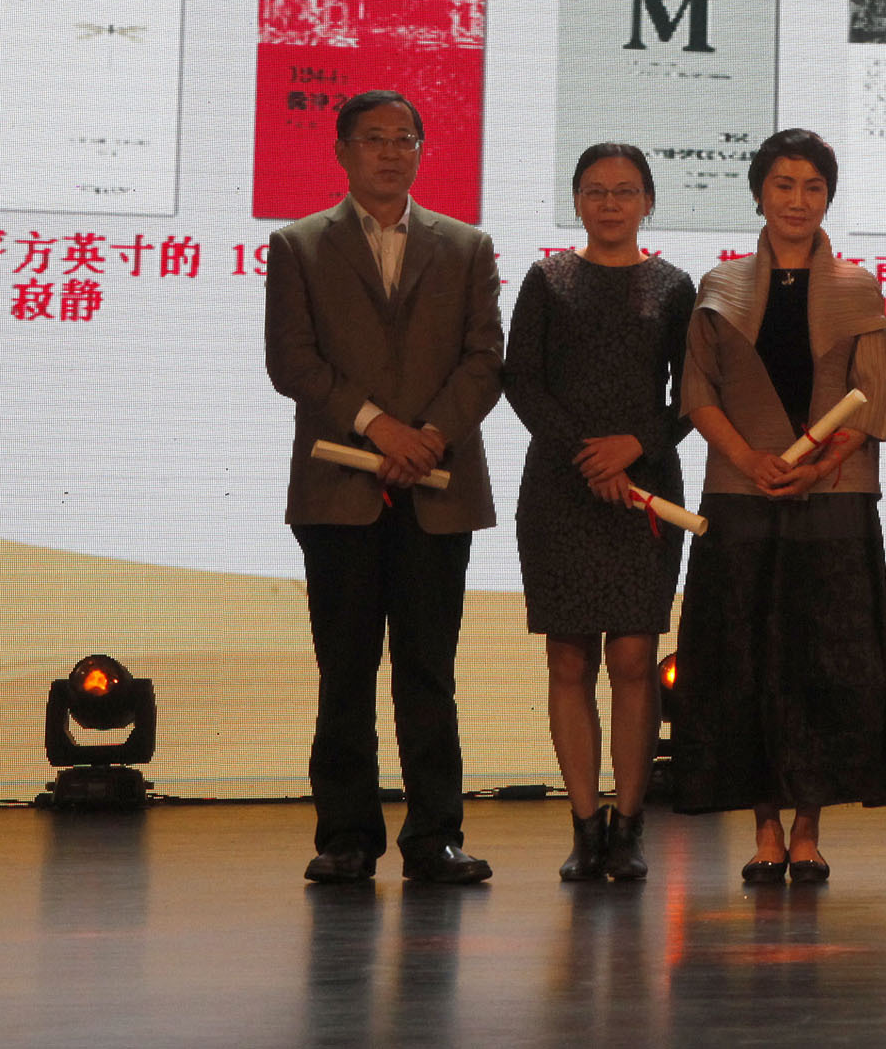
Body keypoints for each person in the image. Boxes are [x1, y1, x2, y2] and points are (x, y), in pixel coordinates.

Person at [265, 89, 503, 886]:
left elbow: (484, 360)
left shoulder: (465, 246)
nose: (391, 152)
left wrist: (427, 434)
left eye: (405, 139)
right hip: (339, 488)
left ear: (422, 151)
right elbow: (292, 362)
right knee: (345, 672)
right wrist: (379, 427)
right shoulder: (299, 244)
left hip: (439, 485)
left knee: (429, 672)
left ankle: (435, 835)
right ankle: (346, 837)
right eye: (374, 139)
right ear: (342, 151)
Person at [671, 128, 886, 883]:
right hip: (739, 498)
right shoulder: (719, 286)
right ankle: (765, 828)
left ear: (828, 197)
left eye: (812, 187)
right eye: (783, 185)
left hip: (833, 499)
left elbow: (874, 398)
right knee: (742, 664)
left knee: (823, 663)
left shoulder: (859, 288)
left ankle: (807, 829)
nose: (797, 200)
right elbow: (696, 392)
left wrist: (819, 466)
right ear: (758, 194)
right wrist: (750, 461)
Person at [504, 142, 695, 883]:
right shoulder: (548, 279)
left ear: (648, 201)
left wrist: (634, 447)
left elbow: (692, 396)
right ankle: (585, 827)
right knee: (569, 656)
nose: (610, 203)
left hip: (646, 487)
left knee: (635, 658)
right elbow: (522, 380)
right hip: (562, 486)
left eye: (625, 191)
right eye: (595, 190)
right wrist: (588, 457)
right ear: (577, 200)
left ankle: (629, 824)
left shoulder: (673, 287)